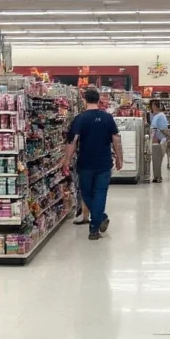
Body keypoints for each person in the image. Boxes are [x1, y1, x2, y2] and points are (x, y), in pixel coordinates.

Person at [63, 88, 123, 240]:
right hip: (104, 162)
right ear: (98, 100)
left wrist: (67, 160)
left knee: (86, 193)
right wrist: (119, 158)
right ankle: (97, 224)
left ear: (84, 100)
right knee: (100, 194)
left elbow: (73, 141)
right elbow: (116, 139)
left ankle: (96, 224)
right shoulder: (107, 118)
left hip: (85, 163)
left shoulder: (80, 119)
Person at [65, 114, 90, 225]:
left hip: (82, 161)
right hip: (100, 162)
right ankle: (92, 215)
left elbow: (73, 142)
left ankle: (84, 215)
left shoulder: (78, 120)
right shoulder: (105, 119)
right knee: (96, 190)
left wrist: (67, 159)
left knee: (82, 188)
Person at [150, 100, 169, 183]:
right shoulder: (162, 115)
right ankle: (157, 176)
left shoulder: (158, 116)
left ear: (154, 106)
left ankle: (157, 177)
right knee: (158, 160)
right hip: (162, 140)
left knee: (156, 160)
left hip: (158, 141)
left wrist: (154, 139)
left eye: (152, 105)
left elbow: (154, 128)